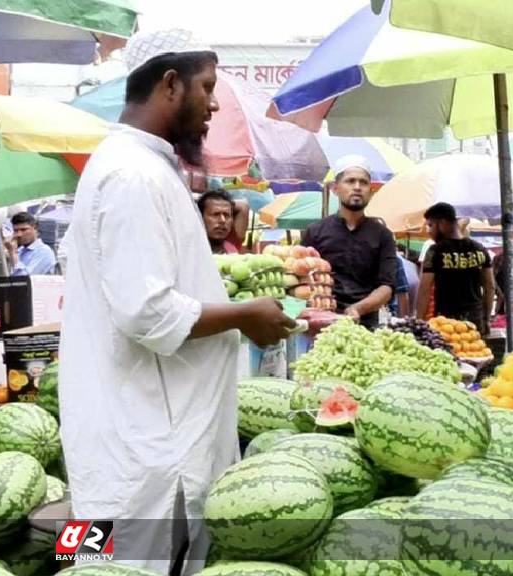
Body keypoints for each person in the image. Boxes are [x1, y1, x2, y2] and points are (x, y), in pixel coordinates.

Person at [60, 36, 296, 574]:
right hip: (145, 447)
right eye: (208, 88)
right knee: (103, 559)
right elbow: (147, 312)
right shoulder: (131, 175)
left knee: (95, 549)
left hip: (137, 440)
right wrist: (245, 315)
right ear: (170, 83)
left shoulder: (139, 166)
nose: (214, 105)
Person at [302, 155, 399, 329]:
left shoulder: (383, 235)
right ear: (335, 188)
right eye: (350, 181)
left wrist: (357, 309)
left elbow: (387, 287)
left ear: (371, 190)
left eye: (363, 182)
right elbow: (303, 279)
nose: (357, 187)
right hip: (322, 323)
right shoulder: (315, 232)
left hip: (366, 325)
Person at [417, 202, 495, 333]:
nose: (429, 231)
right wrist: (486, 319)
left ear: (442, 223)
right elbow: (490, 287)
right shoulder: (479, 249)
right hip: (474, 320)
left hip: (446, 321)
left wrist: (419, 321)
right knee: (474, 352)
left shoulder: (435, 251)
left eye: (431, 225)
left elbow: (424, 289)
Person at [197, 190, 244, 254]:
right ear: (200, 217)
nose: (223, 220)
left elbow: (244, 206)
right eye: (215, 214)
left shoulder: (231, 248)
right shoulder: (189, 249)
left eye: (226, 215)